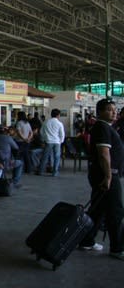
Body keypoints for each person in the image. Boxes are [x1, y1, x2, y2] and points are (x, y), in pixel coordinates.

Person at [79, 99, 124, 260]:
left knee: (98, 210)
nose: (114, 112)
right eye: (110, 109)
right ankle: (117, 248)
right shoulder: (102, 128)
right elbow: (104, 154)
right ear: (100, 112)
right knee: (115, 211)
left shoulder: (105, 127)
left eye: (115, 109)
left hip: (104, 174)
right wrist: (108, 176)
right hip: (107, 175)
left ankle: (87, 240)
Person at [37, 109, 65, 177]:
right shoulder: (59, 123)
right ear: (58, 115)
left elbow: (41, 132)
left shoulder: (46, 122)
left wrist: (44, 139)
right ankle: (55, 172)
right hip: (57, 142)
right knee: (57, 157)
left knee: (45, 157)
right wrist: (61, 141)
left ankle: (40, 171)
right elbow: (62, 134)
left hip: (48, 142)